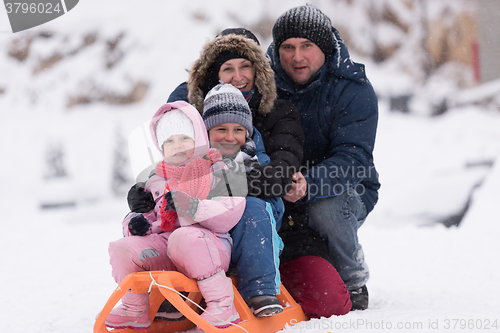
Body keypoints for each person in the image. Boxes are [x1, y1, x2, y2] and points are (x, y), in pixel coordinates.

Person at [267, 4, 381, 311]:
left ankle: (352, 278)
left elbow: (354, 159)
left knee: (324, 208)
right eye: (287, 47)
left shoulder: (351, 88)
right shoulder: (265, 83)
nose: (296, 56)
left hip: (346, 188)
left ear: (325, 47)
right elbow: (211, 83)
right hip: (280, 183)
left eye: (307, 46)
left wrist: (308, 184)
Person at [105, 101, 246, 330]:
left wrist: (194, 208)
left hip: (209, 244)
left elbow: (231, 208)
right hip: (166, 247)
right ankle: (134, 308)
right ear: (160, 147)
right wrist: (137, 224)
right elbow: (147, 218)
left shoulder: (218, 170)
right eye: (169, 141)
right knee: (124, 247)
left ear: (197, 138)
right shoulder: (155, 180)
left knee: (184, 238)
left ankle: (222, 305)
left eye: (183, 138)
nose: (177, 146)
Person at [201, 82, 286, 317]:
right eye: (221, 129)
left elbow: (275, 207)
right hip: (206, 244)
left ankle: (260, 290)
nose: (230, 137)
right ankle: (167, 291)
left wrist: (248, 185)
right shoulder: (193, 161)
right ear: (206, 132)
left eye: (238, 130)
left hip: (247, 244)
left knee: (254, 208)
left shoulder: (255, 161)